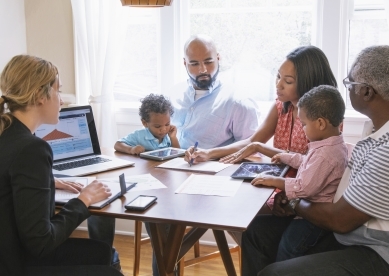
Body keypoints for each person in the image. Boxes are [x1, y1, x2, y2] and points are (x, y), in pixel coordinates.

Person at [241, 45, 389, 276]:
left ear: (367, 92)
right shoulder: (374, 129)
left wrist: (292, 203)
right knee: (255, 233)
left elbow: (340, 220)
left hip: (374, 248)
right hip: (351, 228)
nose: (346, 90)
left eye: (350, 84)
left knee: (275, 271)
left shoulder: (385, 150)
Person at [185, 45, 338, 245]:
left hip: (305, 195)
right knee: (228, 210)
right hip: (275, 186)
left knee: (236, 214)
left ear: (308, 83)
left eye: (288, 81)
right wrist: (208, 153)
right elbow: (253, 141)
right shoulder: (280, 106)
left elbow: (310, 165)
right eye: (278, 77)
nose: (279, 85)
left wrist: (259, 148)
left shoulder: (323, 118)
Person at [0, 55, 122, 276]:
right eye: (58, 90)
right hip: (16, 263)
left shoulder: (7, 134)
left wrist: (48, 181)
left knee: (103, 253)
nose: (62, 100)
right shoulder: (31, 149)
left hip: (9, 252)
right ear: (39, 95)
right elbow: (41, 242)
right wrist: (83, 200)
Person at [251, 85, 348, 261]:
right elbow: (306, 161)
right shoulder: (329, 145)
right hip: (308, 212)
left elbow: (304, 187)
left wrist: (274, 181)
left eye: (303, 124)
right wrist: (286, 157)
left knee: (289, 248)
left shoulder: (326, 154)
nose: (302, 129)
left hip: (313, 220)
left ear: (320, 123)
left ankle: (281, 271)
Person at [169, 34, 259, 150]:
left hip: (210, 166)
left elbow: (251, 152)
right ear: (185, 63)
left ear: (218, 58)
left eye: (208, 62)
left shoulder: (239, 102)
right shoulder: (172, 95)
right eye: (194, 64)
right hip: (168, 164)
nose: (203, 70)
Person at [114, 93, 179, 154]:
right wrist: (131, 149)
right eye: (157, 126)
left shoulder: (168, 136)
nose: (164, 129)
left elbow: (177, 153)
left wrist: (173, 137)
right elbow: (117, 144)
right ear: (145, 123)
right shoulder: (140, 135)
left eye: (167, 124)